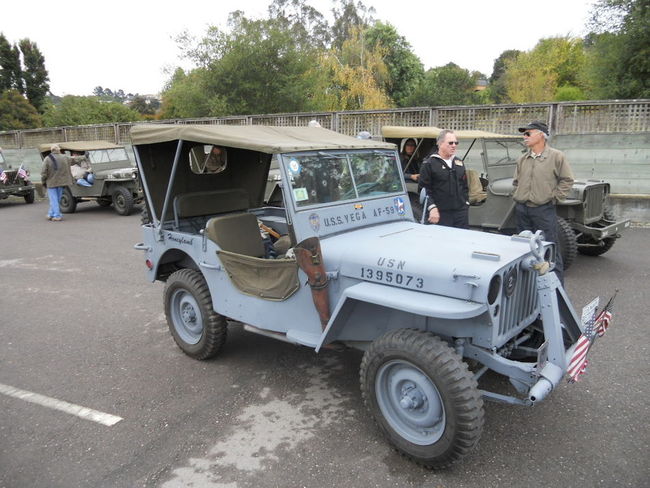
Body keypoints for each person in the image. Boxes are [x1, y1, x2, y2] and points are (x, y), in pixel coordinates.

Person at [512, 121, 574, 283]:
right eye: (524, 134)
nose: (524, 137)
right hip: (522, 210)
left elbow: (567, 180)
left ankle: (556, 290)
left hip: (543, 211)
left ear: (541, 135)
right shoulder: (522, 159)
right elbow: (516, 181)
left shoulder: (556, 157)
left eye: (528, 133)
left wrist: (554, 197)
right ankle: (528, 288)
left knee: (550, 249)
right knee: (523, 250)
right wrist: (519, 194)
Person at [418, 129, 470, 228]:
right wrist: (432, 207)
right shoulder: (429, 164)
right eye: (450, 143)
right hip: (440, 213)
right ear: (440, 144)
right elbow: (423, 190)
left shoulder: (459, 163)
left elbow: (464, 186)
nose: (454, 145)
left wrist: (466, 203)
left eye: (456, 143)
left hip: (460, 214)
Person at [40, 144, 76, 221]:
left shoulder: (47, 159)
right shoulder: (65, 157)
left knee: (53, 200)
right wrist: (85, 157)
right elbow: (74, 159)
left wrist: (43, 181)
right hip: (62, 182)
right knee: (57, 199)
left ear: (51, 150)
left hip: (51, 183)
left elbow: (43, 172)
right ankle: (50, 214)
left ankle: (57, 215)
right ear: (59, 150)